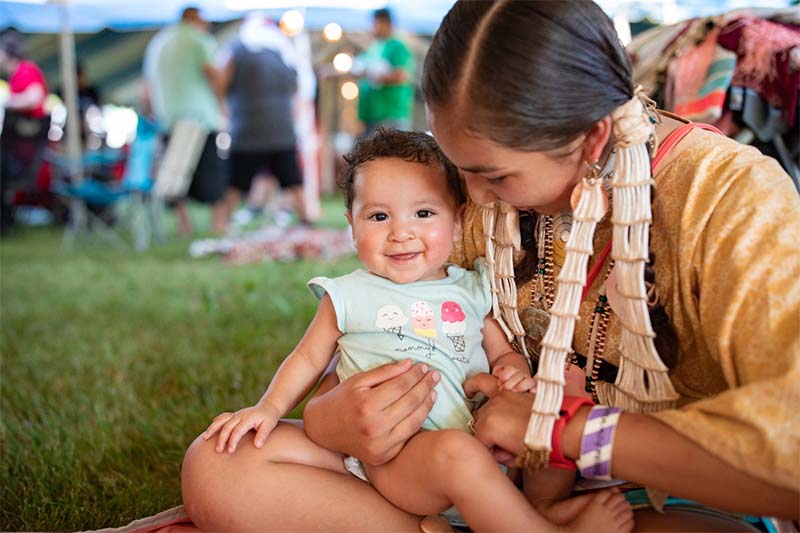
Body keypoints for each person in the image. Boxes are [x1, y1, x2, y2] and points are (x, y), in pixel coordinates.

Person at [181, 1, 799, 530]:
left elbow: (789, 449)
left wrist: (564, 433)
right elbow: (385, 332)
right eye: (461, 169)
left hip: (640, 494)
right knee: (216, 467)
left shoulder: (726, 198)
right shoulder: (473, 203)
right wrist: (330, 418)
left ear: (590, 139)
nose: (471, 199)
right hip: (454, 469)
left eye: (495, 175)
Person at [197, 128, 633, 532]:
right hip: (403, 458)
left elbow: (502, 352)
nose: (401, 233)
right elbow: (308, 358)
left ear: (457, 219)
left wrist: (513, 371)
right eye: (378, 217)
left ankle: (543, 509)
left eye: (423, 213)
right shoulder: (347, 295)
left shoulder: (470, 287)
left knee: (553, 406)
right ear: (351, 224)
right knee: (456, 456)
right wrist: (269, 409)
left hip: (489, 442)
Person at [142, 6, 228, 235]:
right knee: (211, 172)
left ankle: (184, 225)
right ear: (197, 19)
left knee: (175, 176)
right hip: (199, 117)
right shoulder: (199, 39)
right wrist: (222, 104)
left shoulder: (158, 42)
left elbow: (147, 87)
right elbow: (214, 75)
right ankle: (218, 225)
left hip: (168, 117)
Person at [220, 14, 309, 226]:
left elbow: (221, 80)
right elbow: (297, 84)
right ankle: (307, 220)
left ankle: (221, 224)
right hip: (280, 129)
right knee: (293, 181)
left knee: (235, 183)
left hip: (246, 129)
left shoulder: (235, 49)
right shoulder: (281, 52)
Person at [0, 33, 49, 234]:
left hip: (21, 150)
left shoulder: (26, 70)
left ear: (9, 53)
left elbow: (35, 97)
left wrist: (6, 102)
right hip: (16, 148)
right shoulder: (14, 76)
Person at [355, 8, 415, 134]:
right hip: (371, 114)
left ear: (387, 24)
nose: (373, 27)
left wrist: (374, 75)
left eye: (376, 23)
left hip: (390, 114)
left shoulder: (397, 47)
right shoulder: (374, 47)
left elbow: (402, 76)